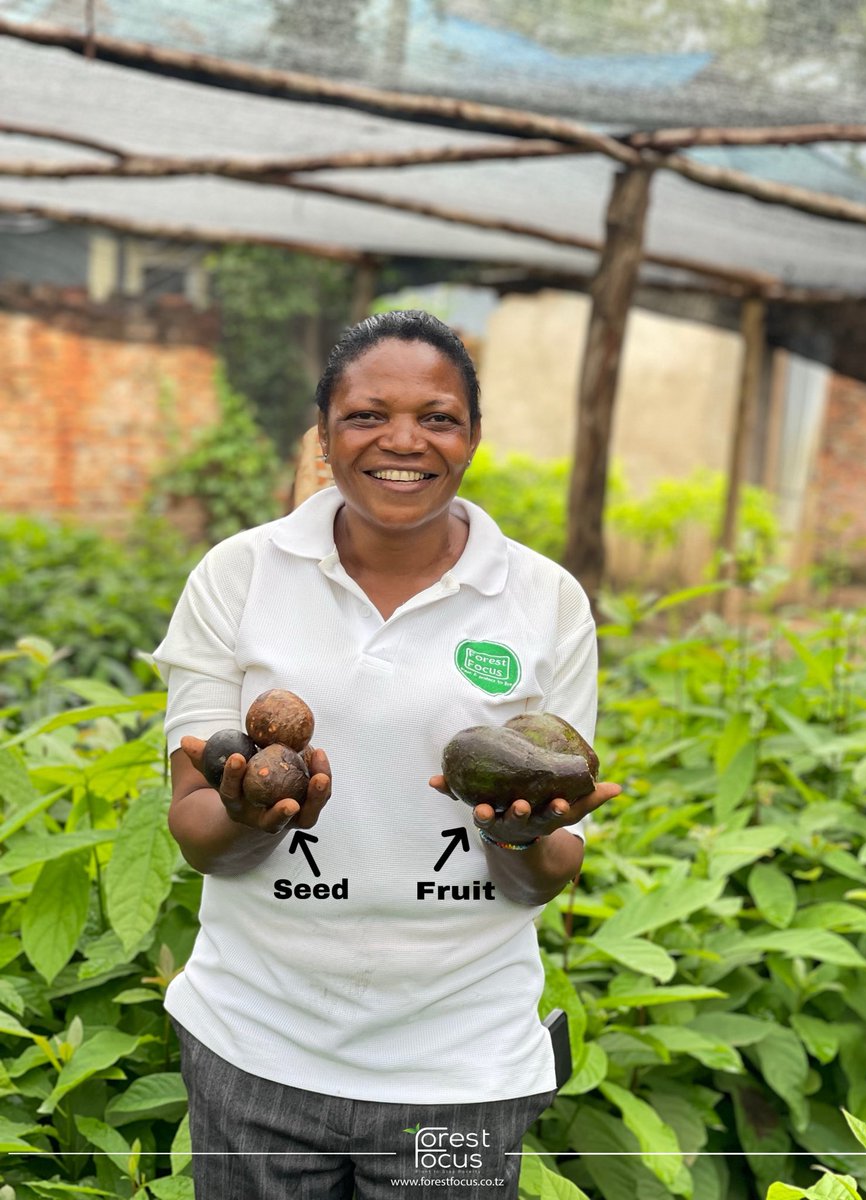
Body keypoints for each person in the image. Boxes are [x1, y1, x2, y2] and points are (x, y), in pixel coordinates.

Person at [154, 309, 621, 1199]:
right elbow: (196, 830)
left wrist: (519, 835)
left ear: (472, 436)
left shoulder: (543, 599)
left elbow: (548, 870)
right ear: (324, 434)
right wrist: (251, 815)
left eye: (437, 417)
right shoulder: (238, 576)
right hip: (255, 1055)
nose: (403, 440)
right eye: (367, 415)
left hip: (460, 1076)